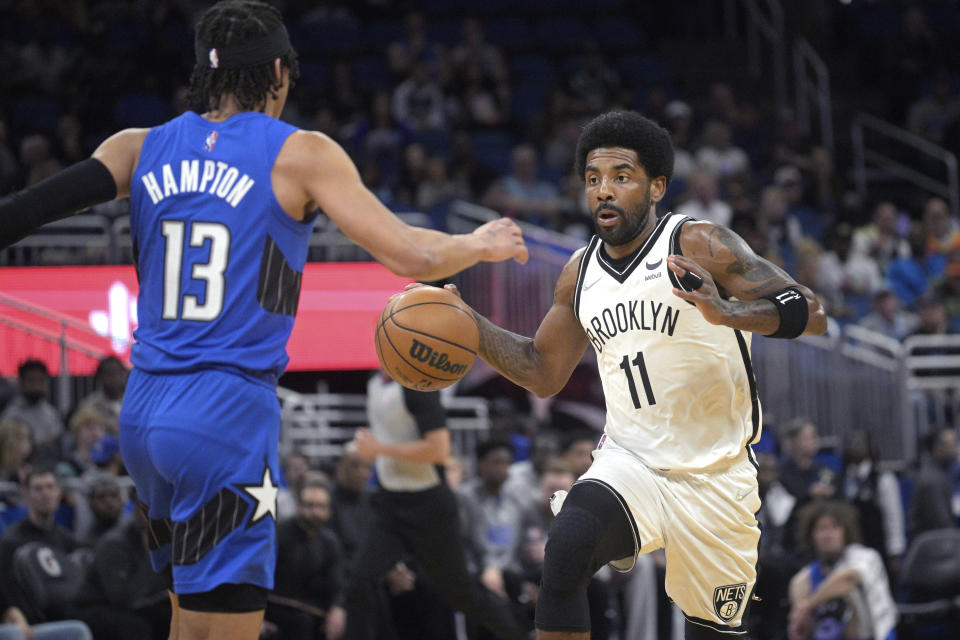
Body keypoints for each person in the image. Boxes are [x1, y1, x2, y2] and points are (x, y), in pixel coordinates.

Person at [0, 3, 527, 639]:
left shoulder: (136, 147)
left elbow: (23, 212)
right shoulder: (300, 153)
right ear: (279, 72)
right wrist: (481, 243)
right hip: (223, 416)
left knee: (185, 623)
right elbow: (410, 255)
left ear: (204, 75)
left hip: (141, 416)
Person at [433, 110, 827, 638]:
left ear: (656, 185)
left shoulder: (698, 244)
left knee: (709, 631)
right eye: (593, 179)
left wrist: (728, 312)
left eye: (621, 177)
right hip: (630, 460)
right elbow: (543, 370)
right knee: (566, 550)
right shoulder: (580, 272)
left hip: (716, 474)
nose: (603, 191)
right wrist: (472, 326)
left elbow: (813, 311)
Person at [343, 373, 525, 640]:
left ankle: (521, 634)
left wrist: (380, 448)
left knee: (463, 596)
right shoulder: (373, 384)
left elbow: (439, 449)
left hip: (429, 505)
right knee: (359, 582)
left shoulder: (418, 387)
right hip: (390, 502)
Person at [787, 501, 897, 640]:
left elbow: (848, 579)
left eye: (835, 527)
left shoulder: (866, 557)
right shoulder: (803, 579)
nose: (828, 535)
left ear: (846, 531)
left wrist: (809, 604)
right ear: (811, 536)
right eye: (821, 529)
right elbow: (799, 622)